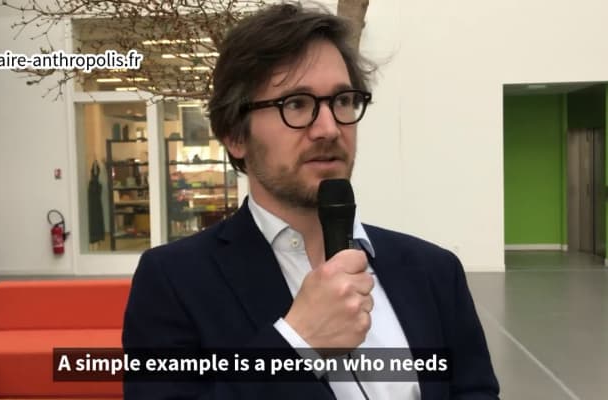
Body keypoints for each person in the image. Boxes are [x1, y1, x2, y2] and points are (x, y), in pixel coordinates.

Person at [122, 3, 499, 399]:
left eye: (342, 100)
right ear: (235, 135)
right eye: (296, 104)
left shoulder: (434, 272)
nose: (329, 128)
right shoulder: (174, 282)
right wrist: (297, 343)